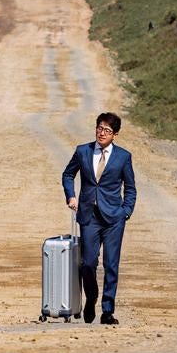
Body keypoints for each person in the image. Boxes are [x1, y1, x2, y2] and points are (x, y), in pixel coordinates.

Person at [61, 111, 136, 325]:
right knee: (87, 263)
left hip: (114, 218)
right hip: (88, 216)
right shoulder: (82, 151)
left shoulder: (123, 157)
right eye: (100, 128)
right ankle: (91, 297)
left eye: (107, 130)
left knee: (111, 264)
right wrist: (71, 196)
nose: (102, 133)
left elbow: (130, 188)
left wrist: (126, 211)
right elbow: (68, 174)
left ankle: (108, 311)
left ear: (115, 134)